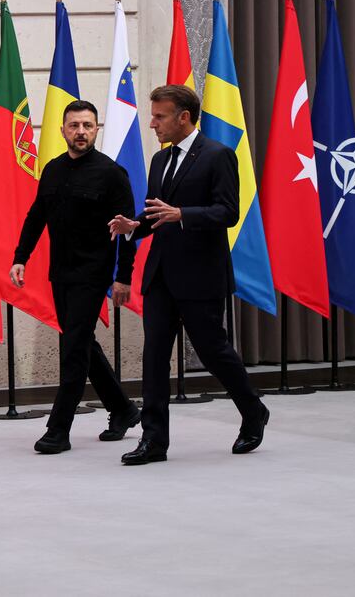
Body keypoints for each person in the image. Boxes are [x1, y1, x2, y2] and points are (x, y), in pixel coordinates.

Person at [109, 85, 269, 465]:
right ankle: (154, 440)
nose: (152, 124)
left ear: (184, 117)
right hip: (161, 275)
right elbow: (156, 214)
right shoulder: (159, 160)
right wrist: (134, 226)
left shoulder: (218, 155)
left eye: (159, 116)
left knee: (214, 352)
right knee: (154, 356)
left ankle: (253, 410)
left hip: (201, 274)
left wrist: (184, 214)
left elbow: (228, 212)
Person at [11, 100, 141, 455]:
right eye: (74, 125)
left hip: (93, 275)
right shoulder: (52, 170)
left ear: (96, 130)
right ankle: (123, 409)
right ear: (63, 130)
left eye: (87, 125)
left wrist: (123, 277)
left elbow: (129, 232)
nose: (81, 131)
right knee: (82, 344)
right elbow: (36, 216)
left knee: (72, 351)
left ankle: (58, 430)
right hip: (60, 274)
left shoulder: (112, 173)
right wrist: (21, 257)